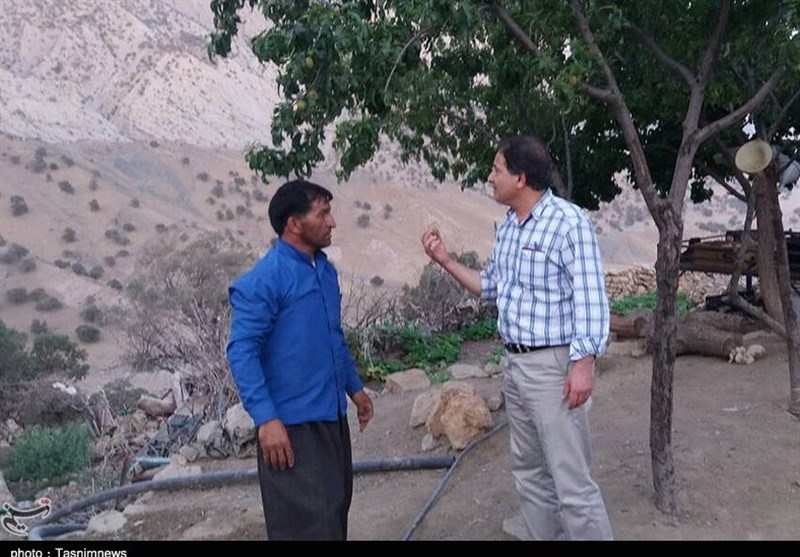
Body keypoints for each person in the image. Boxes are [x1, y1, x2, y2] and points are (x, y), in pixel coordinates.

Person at [421, 135, 613, 540]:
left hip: (553, 367)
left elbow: (591, 298)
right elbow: (490, 286)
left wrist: (583, 364)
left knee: (571, 482)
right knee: (529, 473)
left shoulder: (568, 222)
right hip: (516, 365)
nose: (490, 178)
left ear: (521, 178)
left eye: (497, 170)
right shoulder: (509, 226)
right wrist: (446, 261)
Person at [226, 178, 374, 540]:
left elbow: (332, 336)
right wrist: (266, 419)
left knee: (333, 516)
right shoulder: (265, 279)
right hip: (291, 429)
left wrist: (355, 390)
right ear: (294, 223)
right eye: (322, 214)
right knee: (305, 529)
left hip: (331, 419)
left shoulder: (324, 271)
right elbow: (241, 352)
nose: (332, 222)